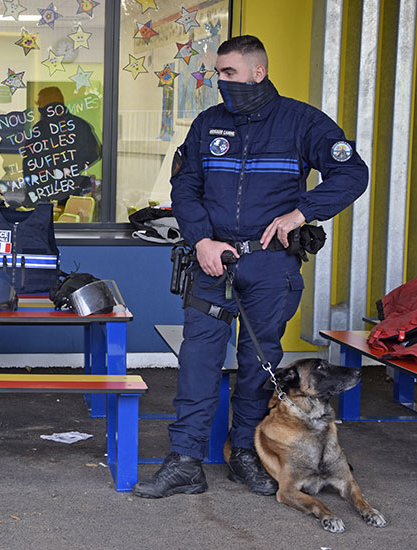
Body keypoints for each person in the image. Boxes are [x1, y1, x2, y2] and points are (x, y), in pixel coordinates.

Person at [133, 36, 368, 498]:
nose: (221, 82)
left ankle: (245, 454)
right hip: (212, 262)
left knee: (259, 366)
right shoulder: (207, 124)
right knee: (198, 361)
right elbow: (185, 189)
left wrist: (302, 213)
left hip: (270, 266)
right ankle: (185, 461)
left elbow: (351, 173)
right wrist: (200, 239)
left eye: (229, 73)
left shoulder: (303, 122)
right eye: (219, 73)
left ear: (258, 72)